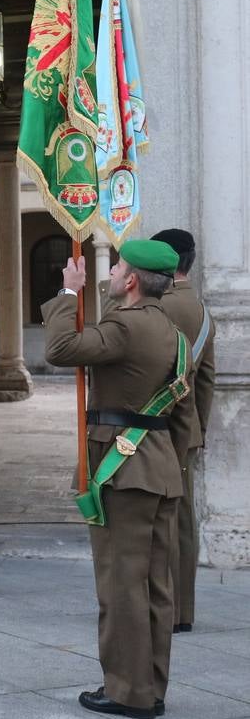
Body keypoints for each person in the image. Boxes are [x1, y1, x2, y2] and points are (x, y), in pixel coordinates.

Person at [42, 239, 186, 719]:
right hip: (159, 466)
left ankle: (128, 691)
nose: (112, 273)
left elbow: (61, 349)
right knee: (155, 585)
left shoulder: (125, 326)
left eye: (118, 267)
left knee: (121, 582)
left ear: (130, 280)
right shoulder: (168, 328)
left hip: (123, 469)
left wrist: (67, 293)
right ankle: (151, 684)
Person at [151, 228, 217, 633]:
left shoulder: (158, 307)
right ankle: (183, 611)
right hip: (187, 428)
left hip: (153, 425)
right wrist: (199, 430)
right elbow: (206, 379)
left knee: (156, 519)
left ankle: (163, 607)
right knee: (183, 519)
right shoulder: (201, 308)